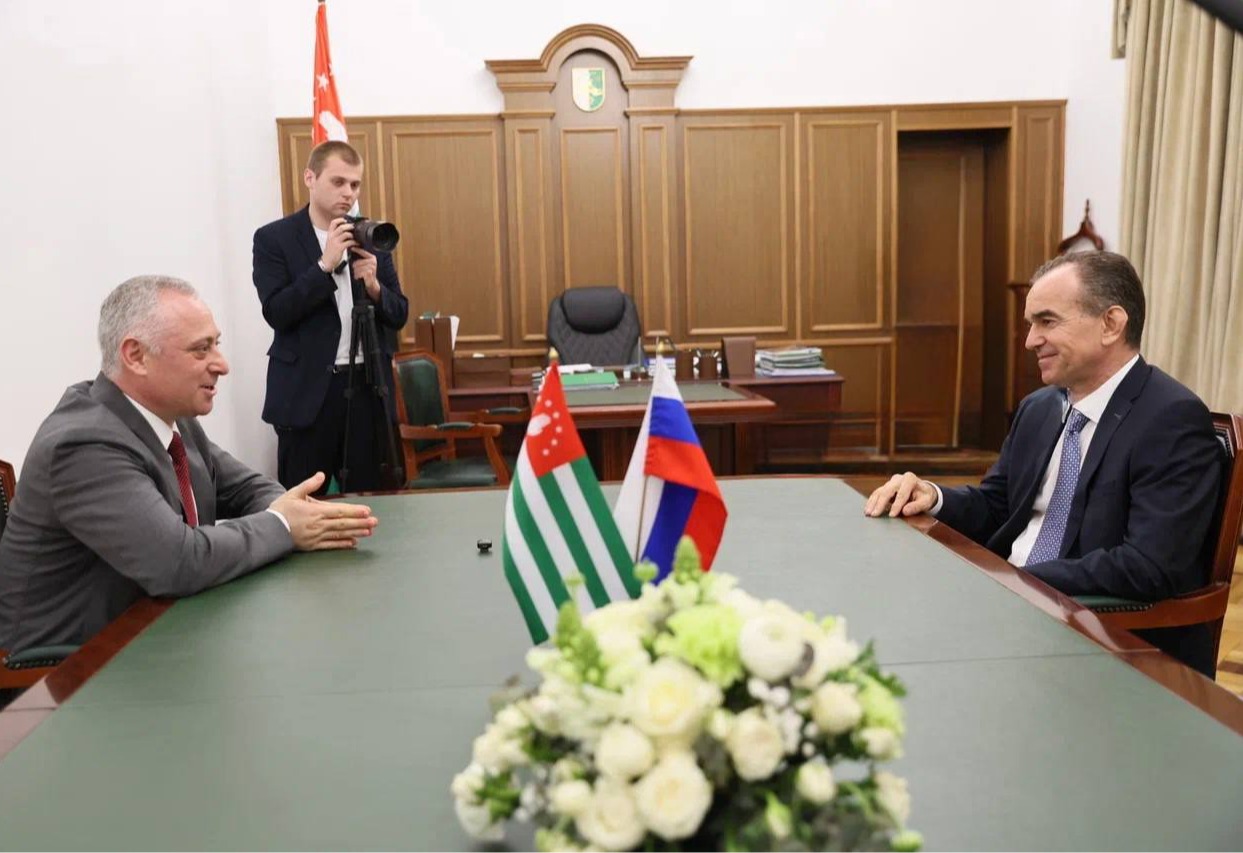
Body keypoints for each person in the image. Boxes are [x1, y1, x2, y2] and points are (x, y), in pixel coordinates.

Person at [864, 251, 1223, 677]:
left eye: (1047, 321)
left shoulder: (1170, 418)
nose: (1030, 340)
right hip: (1012, 610)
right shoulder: (1039, 407)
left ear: (1111, 324)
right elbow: (998, 506)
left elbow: (1147, 567)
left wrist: (1016, 581)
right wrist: (933, 496)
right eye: (1031, 324)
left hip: (1103, 642)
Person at [0, 276, 379, 656]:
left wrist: (292, 513)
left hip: (155, 635)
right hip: (67, 669)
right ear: (136, 356)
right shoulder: (84, 445)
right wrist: (284, 525)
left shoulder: (171, 418)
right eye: (201, 350)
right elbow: (177, 562)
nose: (222, 365)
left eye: (216, 345)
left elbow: (247, 488)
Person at [252, 140, 409, 492]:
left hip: (368, 387)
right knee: (305, 500)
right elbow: (277, 312)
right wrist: (324, 265)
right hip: (307, 394)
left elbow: (399, 314)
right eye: (338, 182)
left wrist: (375, 287)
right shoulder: (274, 239)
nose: (348, 193)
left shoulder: (369, 235)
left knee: (372, 501)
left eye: (355, 184)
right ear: (310, 178)